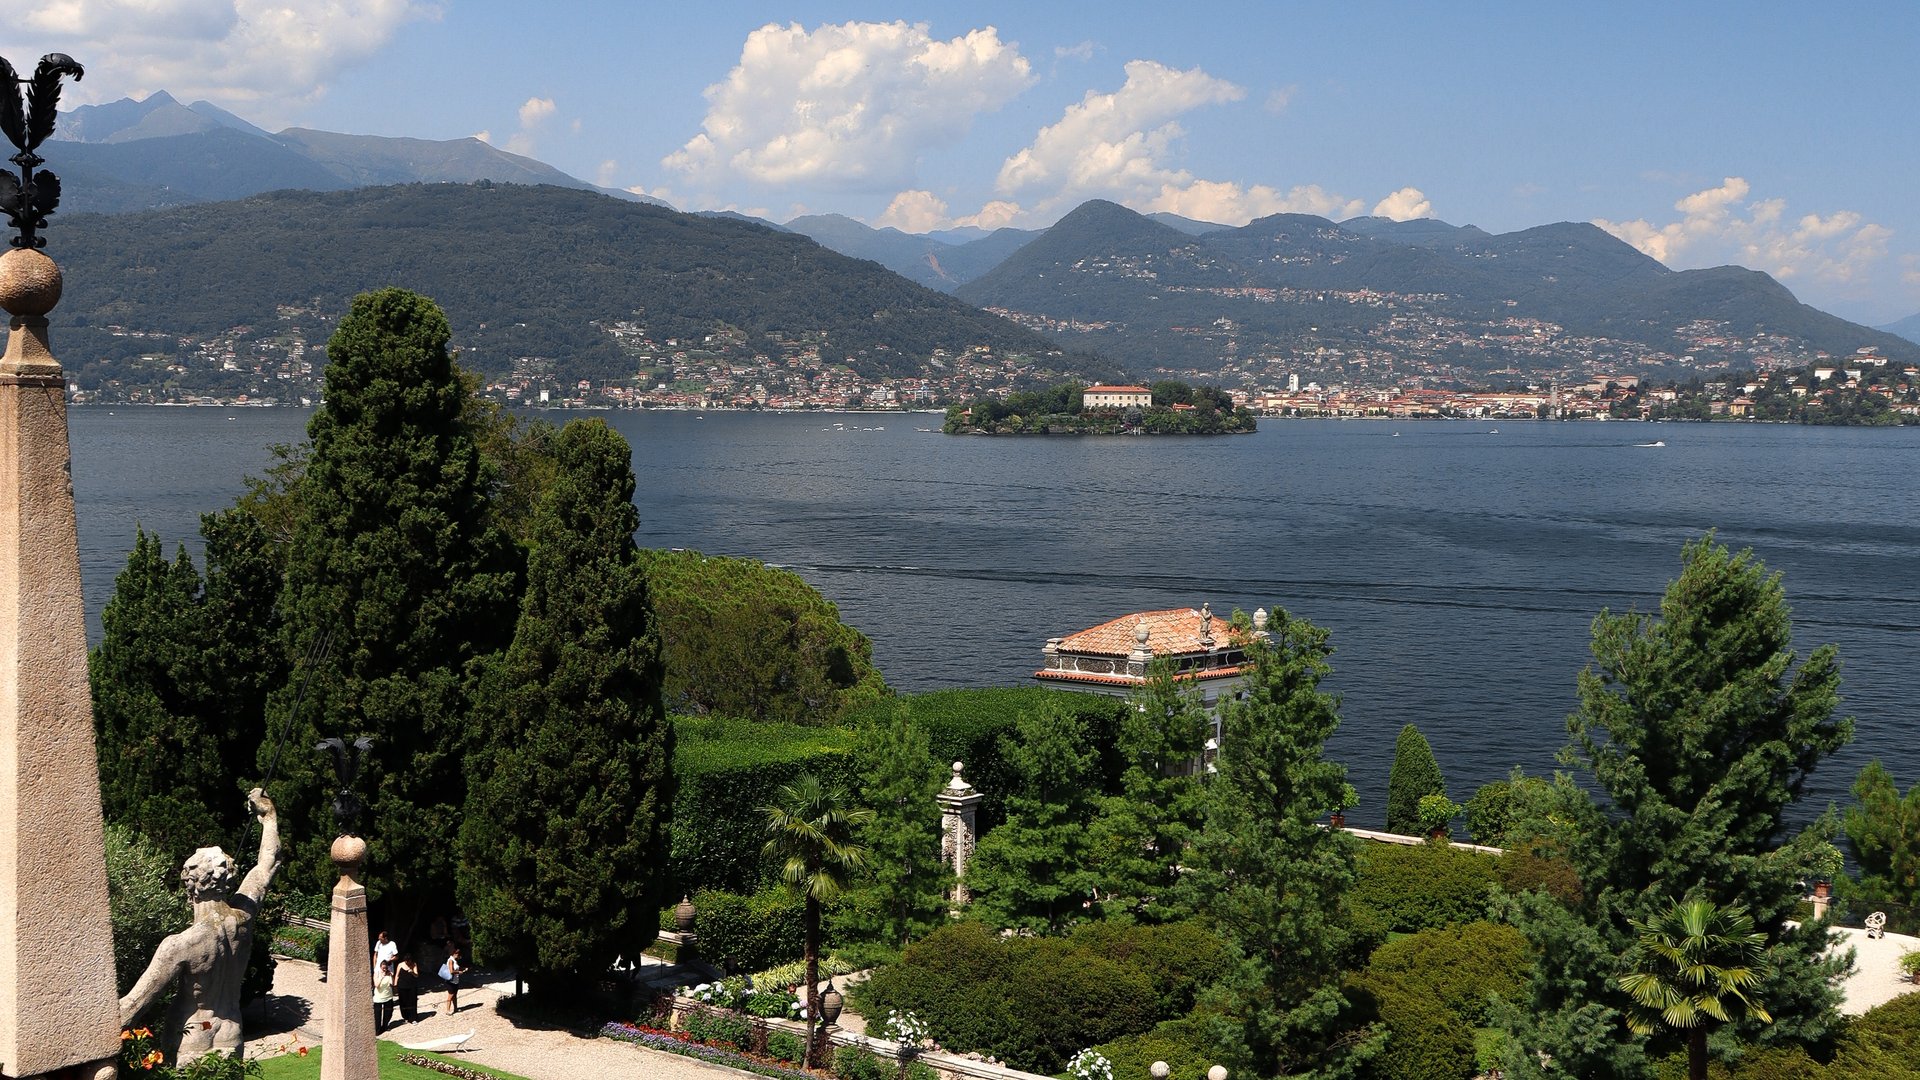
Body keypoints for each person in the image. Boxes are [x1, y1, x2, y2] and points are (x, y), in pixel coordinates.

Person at [119, 789, 283, 1064]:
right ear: (228, 881)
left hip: (190, 1039)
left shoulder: (181, 944)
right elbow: (268, 865)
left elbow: (130, 1008)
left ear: (190, 885)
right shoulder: (244, 917)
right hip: (232, 1034)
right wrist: (269, 818)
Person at [439, 944, 467, 1014]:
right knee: (450, 995)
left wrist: (463, 969)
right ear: (455, 953)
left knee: (455, 995)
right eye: (458, 954)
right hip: (450, 981)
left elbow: (457, 967)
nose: (458, 956)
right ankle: (447, 1010)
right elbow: (451, 971)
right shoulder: (451, 960)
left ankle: (455, 1008)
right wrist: (459, 972)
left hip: (456, 980)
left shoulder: (455, 960)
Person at [396, 955, 423, 1023]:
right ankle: (405, 1017)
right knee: (403, 1002)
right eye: (406, 961)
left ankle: (413, 1018)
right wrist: (395, 984)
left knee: (412, 1001)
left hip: (411, 986)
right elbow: (397, 975)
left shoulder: (414, 964)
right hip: (402, 986)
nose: (407, 963)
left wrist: (412, 972)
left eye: (408, 961)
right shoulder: (400, 965)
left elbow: (417, 975)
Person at [373, 958, 397, 1032]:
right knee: (377, 1015)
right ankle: (378, 1029)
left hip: (388, 996)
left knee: (388, 1013)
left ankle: (385, 1026)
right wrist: (381, 977)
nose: (385, 969)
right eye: (383, 968)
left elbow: (392, 984)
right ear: (380, 967)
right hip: (378, 997)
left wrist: (392, 976)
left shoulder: (389, 973)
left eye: (386, 968)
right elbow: (376, 985)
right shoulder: (376, 974)